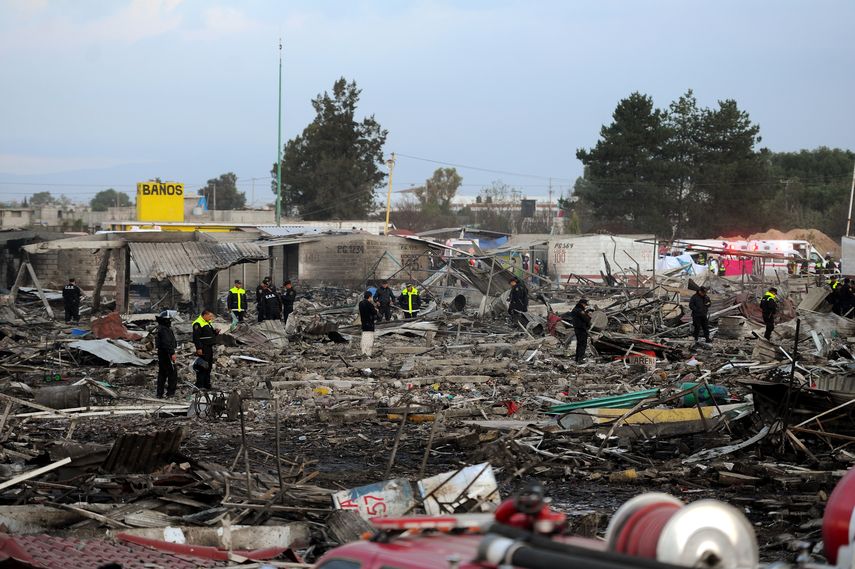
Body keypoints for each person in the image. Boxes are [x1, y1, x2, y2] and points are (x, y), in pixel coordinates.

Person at [192, 309, 218, 389]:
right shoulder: (198, 323)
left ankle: (207, 384)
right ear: (205, 315)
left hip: (209, 347)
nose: (211, 318)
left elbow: (208, 334)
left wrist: (215, 332)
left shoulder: (207, 322)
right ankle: (200, 385)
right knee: (203, 366)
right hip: (203, 347)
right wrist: (199, 348)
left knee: (208, 366)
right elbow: (196, 337)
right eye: (210, 316)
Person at [154, 311, 178, 398]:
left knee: (162, 373)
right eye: (169, 320)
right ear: (165, 320)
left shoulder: (161, 328)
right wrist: (172, 353)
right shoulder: (164, 329)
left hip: (162, 353)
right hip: (166, 354)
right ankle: (170, 393)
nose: (170, 321)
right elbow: (167, 342)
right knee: (172, 373)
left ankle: (159, 393)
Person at [565, 298, 592, 364]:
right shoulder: (580, 311)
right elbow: (586, 319)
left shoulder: (575, 310)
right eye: (585, 305)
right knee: (582, 344)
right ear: (582, 304)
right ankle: (580, 359)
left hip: (577, 329)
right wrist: (589, 316)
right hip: (581, 329)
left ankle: (577, 358)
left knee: (579, 344)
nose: (585, 306)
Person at [358, 291, 378, 356]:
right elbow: (374, 312)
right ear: (370, 297)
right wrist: (376, 310)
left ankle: (363, 352)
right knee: (369, 340)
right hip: (370, 324)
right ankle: (368, 354)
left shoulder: (360, 303)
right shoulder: (370, 304)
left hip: (363, 323)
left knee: (364, 338)